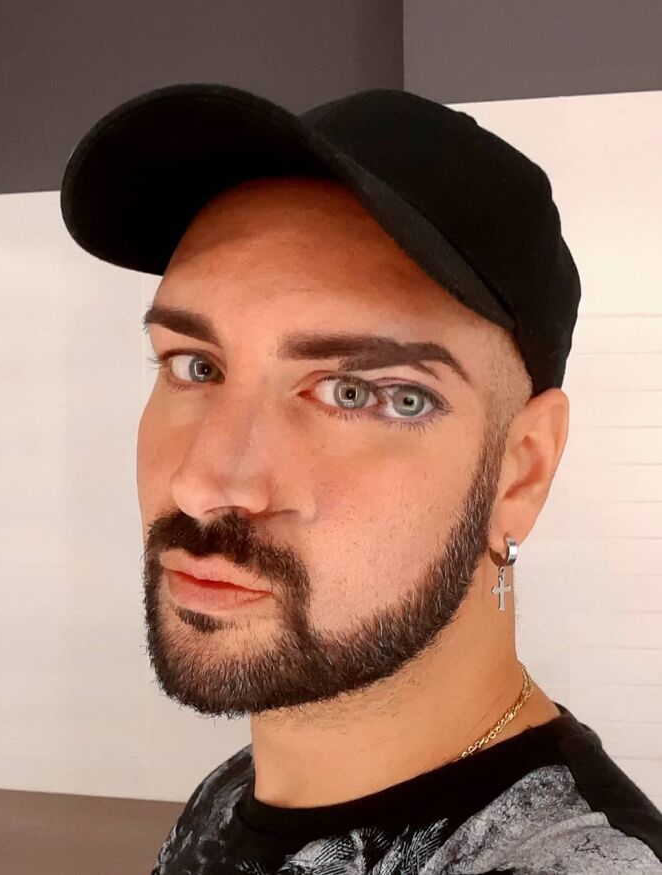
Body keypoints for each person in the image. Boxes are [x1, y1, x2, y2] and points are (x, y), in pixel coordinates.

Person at [60, 84, 662, 874]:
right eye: (195, 364)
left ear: (522, 472)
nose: (206, 485)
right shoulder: (238, 790)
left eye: (360, 392)